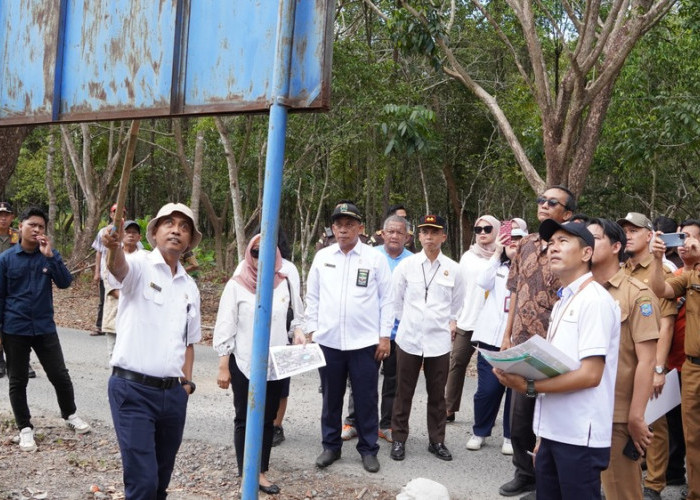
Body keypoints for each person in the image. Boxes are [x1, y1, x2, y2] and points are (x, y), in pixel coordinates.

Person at [495, 219, 621, 500]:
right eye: (551, 243)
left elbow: (590, 375)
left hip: (579, 436)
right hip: (554, 432)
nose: (553, 248)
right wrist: (542, 434)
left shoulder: (595, 301)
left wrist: (528, 386)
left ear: (586, 253)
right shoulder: (564, 299)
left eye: (563, 242)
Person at [102, 203, 201, 499]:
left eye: (184, 227)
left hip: (173, 395)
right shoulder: (140, 264)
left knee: (160, 481)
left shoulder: (189, 286)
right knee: (142, 483)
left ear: (188, 240)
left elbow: (189, 342)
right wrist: (114, 246)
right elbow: (118, 267)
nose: (176, 230)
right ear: (155, 232)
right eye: (169, 223)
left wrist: (185, 383)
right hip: (133, 390)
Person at [498, 186, 575, 498]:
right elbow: (514, 289)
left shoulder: (570, 249)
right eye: (541, 200)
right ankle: (524, 472)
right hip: (521, 344)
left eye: (552, 202)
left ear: (567, 214)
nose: (543, 205)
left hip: (552, 349)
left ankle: (547, 481)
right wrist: (506, 335)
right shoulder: (527, 243)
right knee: (519, 421)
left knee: (548, 421)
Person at [214, 234, 305, 495]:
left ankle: (261, 471)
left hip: (275, 362)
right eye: (255, 252)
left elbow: (296, 318)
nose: (260, 258)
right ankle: (246, 474)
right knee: (244, 417)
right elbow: (225, 326)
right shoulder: (236, 285)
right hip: (243, 362)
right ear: (248, 253)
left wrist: (298, 334)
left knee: (267, 418)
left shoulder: (283, 283)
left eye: (265, 252)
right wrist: (223, 364)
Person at [305, 202, 393, 473]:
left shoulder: (374, 258)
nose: (343, 230)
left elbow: (387, 300)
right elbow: (313, 296)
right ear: (332, 228)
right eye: (338, 225)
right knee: (331, 397)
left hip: (364, 343)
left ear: (360, 228)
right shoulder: (323, 257)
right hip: (329, 341)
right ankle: (331, 447)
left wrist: (384, 337)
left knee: (366, 398)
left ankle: (368, 449)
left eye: (349, 225)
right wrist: (311, 331)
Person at [0, 206, 91, 452]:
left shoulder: (48, 256)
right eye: (32, 225)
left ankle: (70, 414)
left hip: (44, 327)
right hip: (14, 328)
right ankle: (25, 428)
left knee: (60, 375)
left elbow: (65, 283)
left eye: (41, 226)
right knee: (18, 381)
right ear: (21, 226)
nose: (37, 230)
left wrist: (51, 257)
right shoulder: (6, 259)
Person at [587, 218, 658, 500]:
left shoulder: (637, 295)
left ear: (616, 246)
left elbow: (646, 361)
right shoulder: (579, 292)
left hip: (617, 414)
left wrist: (636, 416)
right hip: (580, 409)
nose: (586, 243)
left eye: (594, 237)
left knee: (621, 492)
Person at [389, 214, 465, 462]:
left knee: (437, 394)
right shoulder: (406, 266)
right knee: (403, 392)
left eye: (434, 232)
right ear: (418, 236)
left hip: (438, 342)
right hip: (409, 338)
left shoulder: (453, 269)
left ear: (443, 236)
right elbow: (396, 302)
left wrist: (441, 322)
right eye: (424, 232)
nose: (429, 236)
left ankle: (437, 440)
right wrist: (411, 321)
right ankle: (399, 439)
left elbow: (456, 304)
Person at [617, 212, 678, 499]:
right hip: (627, 360)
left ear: (649, 235)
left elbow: (665, 324)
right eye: (625, 230)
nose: (627, 234)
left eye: (634, 230)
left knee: (654, 422)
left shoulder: (660, 270)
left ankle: (654, 484)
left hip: (650, 359)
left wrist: (658, 369)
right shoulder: (623, 269)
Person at [467, 219, 527, 454]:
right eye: (509, 239)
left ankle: (510, 436)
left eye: (518, 239)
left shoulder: (531, 271)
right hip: (490, 338)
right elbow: (481, 282)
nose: (514, 243)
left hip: (518, 341)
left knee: (515, 391)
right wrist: (498, 253)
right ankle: (480, 431)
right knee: (488, 390)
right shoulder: (498, 267)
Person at [649, 229, 700, 500]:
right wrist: (657, 258)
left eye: (691, 237)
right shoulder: (687, 276)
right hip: (691, 367)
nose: (685, 243)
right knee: (692, 437)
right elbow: (661, 289)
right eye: (681, 237)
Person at [445, 214, 501, 423]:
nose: (483, 234)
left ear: (496, 231)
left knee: (490, 370)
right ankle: (448, 408)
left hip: (492, 323)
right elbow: (458, 289)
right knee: (457, 362)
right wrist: (453, 319)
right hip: (467, 319)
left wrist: (499, 254)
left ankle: (487, 414)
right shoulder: (468, 257)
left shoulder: (505, 257)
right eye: (478, 230)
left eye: (487, 229)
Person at [0, 201, 35, 379]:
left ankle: (23, 361)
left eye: (6, 215)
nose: (3, 218)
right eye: (0, 215)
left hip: (16, 285)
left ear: (12, 217)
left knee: (20, 322)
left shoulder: (18, 236)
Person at [103, 220, 146, 357]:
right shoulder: (111, 255)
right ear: (122, 235)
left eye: (134, 232)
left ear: (140, 237)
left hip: (138, 316)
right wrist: (130, 297)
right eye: (127, 232)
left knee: (135, 354)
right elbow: (109, 284)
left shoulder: (146, 258)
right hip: (114, 313)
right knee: (114, 354)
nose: (131, 235)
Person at [91, 204, 121, 336]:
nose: (118, 215)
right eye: (115, 212)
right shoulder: (103, 232)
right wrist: (97, 272)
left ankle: (117, 326)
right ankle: (100, 326)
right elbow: (98, 252)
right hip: (105, 273)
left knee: (120, 300)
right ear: (111, 214)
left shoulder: (128, 232)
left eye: (122, 213)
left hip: (121, 275)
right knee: (104, 299)